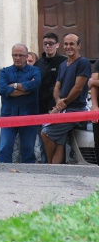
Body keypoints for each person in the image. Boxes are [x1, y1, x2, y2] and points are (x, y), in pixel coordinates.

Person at [41, 34, 91, 164]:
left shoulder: (83, 63)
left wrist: (64, 103)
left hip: (76, 110)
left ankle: (50, 164)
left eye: (72, 44)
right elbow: (57, 86)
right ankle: (56, 170)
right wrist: (58, 102)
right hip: (63, 109)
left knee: (46, 133)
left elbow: (78, 88)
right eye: (66, 44)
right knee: (59, 142)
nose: (68, 47)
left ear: (78, 46)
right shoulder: (63, 65)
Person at [0, 43, 41, 163]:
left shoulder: (35, 71)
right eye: (15, 55)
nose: (17, 58)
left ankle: (28, 176)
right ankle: (1, 173)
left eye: (21, 55)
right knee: (4, 148)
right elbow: (2, 90)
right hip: (8, 114)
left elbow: (35, 85)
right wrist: (26, 90)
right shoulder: (5, 72)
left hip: (29, 114)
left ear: (27, 56)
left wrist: (14, 86)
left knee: (28, 149)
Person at [34, 33, 66, 162]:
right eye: (45, 44)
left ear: (57, 45)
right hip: (40, 109)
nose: (48, 46)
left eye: (51, 43)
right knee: (42, 142)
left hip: (58, 108)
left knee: (58, 141)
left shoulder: (63, 62)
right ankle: (46, 167)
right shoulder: (38, 64)